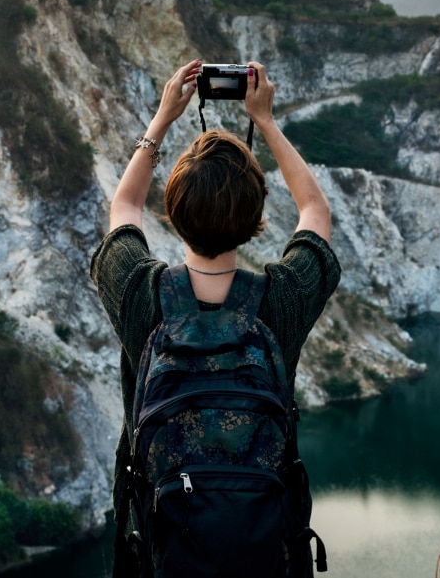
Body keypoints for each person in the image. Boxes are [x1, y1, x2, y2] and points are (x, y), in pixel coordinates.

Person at [90, 58, 339, 577]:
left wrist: (160, 121)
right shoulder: (279, 302)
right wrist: (265, 120)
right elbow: (315, 212)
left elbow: (125, 207)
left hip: (165, 554)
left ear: (174, 213)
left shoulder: (144, 295)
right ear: (256, 218)